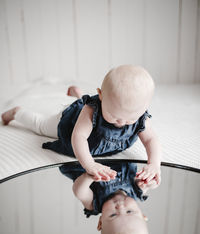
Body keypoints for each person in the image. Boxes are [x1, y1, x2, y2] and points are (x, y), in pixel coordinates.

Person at [1, 65, 161, 183]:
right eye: (113, 115)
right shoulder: (92, 110)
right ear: (101, 95)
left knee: (82, 104)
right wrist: (90, 164)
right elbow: (79, 137)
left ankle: (77, 95)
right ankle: (17, 112)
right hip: (71, 123)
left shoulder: (141, 117)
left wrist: (154, 164)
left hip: (90, 118)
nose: (121, 122)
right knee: (41, 126)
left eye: (130, 119)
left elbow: (150, 140)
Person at [59, 161, 158, 234]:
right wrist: (149, 182)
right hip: (117, 153)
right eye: (129, 211)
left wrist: (89, 176)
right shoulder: (136, 193)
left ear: (100, 222)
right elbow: (147, 182)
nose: (120, 207)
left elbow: (79, 192)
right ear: (142, 215)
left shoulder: (94, 203)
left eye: (113, 215)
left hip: (84, 160)